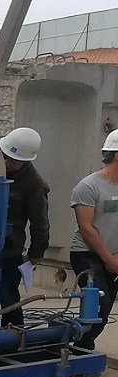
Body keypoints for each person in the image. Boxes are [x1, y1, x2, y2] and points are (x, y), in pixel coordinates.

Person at [69, 129, 118, 350]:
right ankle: (80, 350)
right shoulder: (88, 187)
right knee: (99, 304)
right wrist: (109, 259)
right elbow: (86, 228)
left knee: (103, 314)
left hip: (113, 257)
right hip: (87, 254)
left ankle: (80, 348)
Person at [0, 127, 50, 326]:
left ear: (25, 160)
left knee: (8, 296)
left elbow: (40, 223)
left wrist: (36, 253)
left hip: (9, 249)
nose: (6, 163)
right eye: (4, 157)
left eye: (12, 160)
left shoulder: (34, 184)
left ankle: (14, 333)